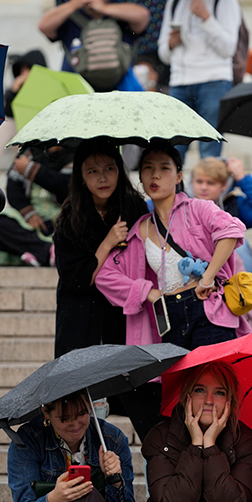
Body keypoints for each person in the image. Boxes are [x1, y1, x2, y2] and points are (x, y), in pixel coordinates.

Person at [96, 141, 251, 350]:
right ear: (140, 178)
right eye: (148, 168)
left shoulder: (198, 208)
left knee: (210, 378)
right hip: (168, 316)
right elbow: (105, 276)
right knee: (178, 382)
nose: (155, 175)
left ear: (179, 176)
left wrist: (208, 277)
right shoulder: (139, 229)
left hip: (206, 307)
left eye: (164, 168)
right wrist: (146, 292)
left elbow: (231, 231)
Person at [52, 139, 148, 357]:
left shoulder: (133, 207)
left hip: (123, 312)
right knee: (78, 383)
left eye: (109, 169)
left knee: (123, 382)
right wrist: (108, 243)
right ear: (82, 178)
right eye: (93, 171)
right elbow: (76, 280)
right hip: (81, 314)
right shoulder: (70, 217)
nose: (103, 178)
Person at [137, 361, 252, 502]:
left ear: (229, 401)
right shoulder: (161, 437)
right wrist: (196, 444)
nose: (209, 400)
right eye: (200, 390)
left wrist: (210, 445)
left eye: (219, 392)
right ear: (186, 396)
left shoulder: (246, 441)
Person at [7, 391, 136, 502]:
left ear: (90, 406)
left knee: (90, 497)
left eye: (81, 414)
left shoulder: (111, 439)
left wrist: (115, 481)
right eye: (65, 418)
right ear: (46, 412)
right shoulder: (28, 440)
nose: (75, 425)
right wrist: (52, 500)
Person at [158, 0, 241, 158]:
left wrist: (206, 18)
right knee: (173, 150)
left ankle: (207, 185)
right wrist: (171, 44)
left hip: (214, 81)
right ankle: (176, 186)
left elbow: (228, 49)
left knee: (209, 149)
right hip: (179, 82)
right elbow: (164, 55)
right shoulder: (174, 1)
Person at [38, 0, 150, 92]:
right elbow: (43, 26)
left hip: (120, 89)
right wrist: (73, 3)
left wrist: (103, 8)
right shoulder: (69, 18)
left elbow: (143, 15)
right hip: (77, 90)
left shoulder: (122, 17)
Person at [190, 156, 252, 275]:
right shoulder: (184, 203)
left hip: (225, 267)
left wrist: (242, 178)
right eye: (199, 181)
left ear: (224, 186)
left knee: (240, 245)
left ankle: (243, 291)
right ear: (191, 182)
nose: (204, 187)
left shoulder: (234, 204)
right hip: (191, 263)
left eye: (211, 183)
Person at [0, 146, 71, 268]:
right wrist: (27, 212)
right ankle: (48, 251)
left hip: (63, 219)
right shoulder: (30, 151)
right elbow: (13, 189)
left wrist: (30, 170)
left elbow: (66, 187)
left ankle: (40, 252)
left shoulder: (76, 152)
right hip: (33, 221)